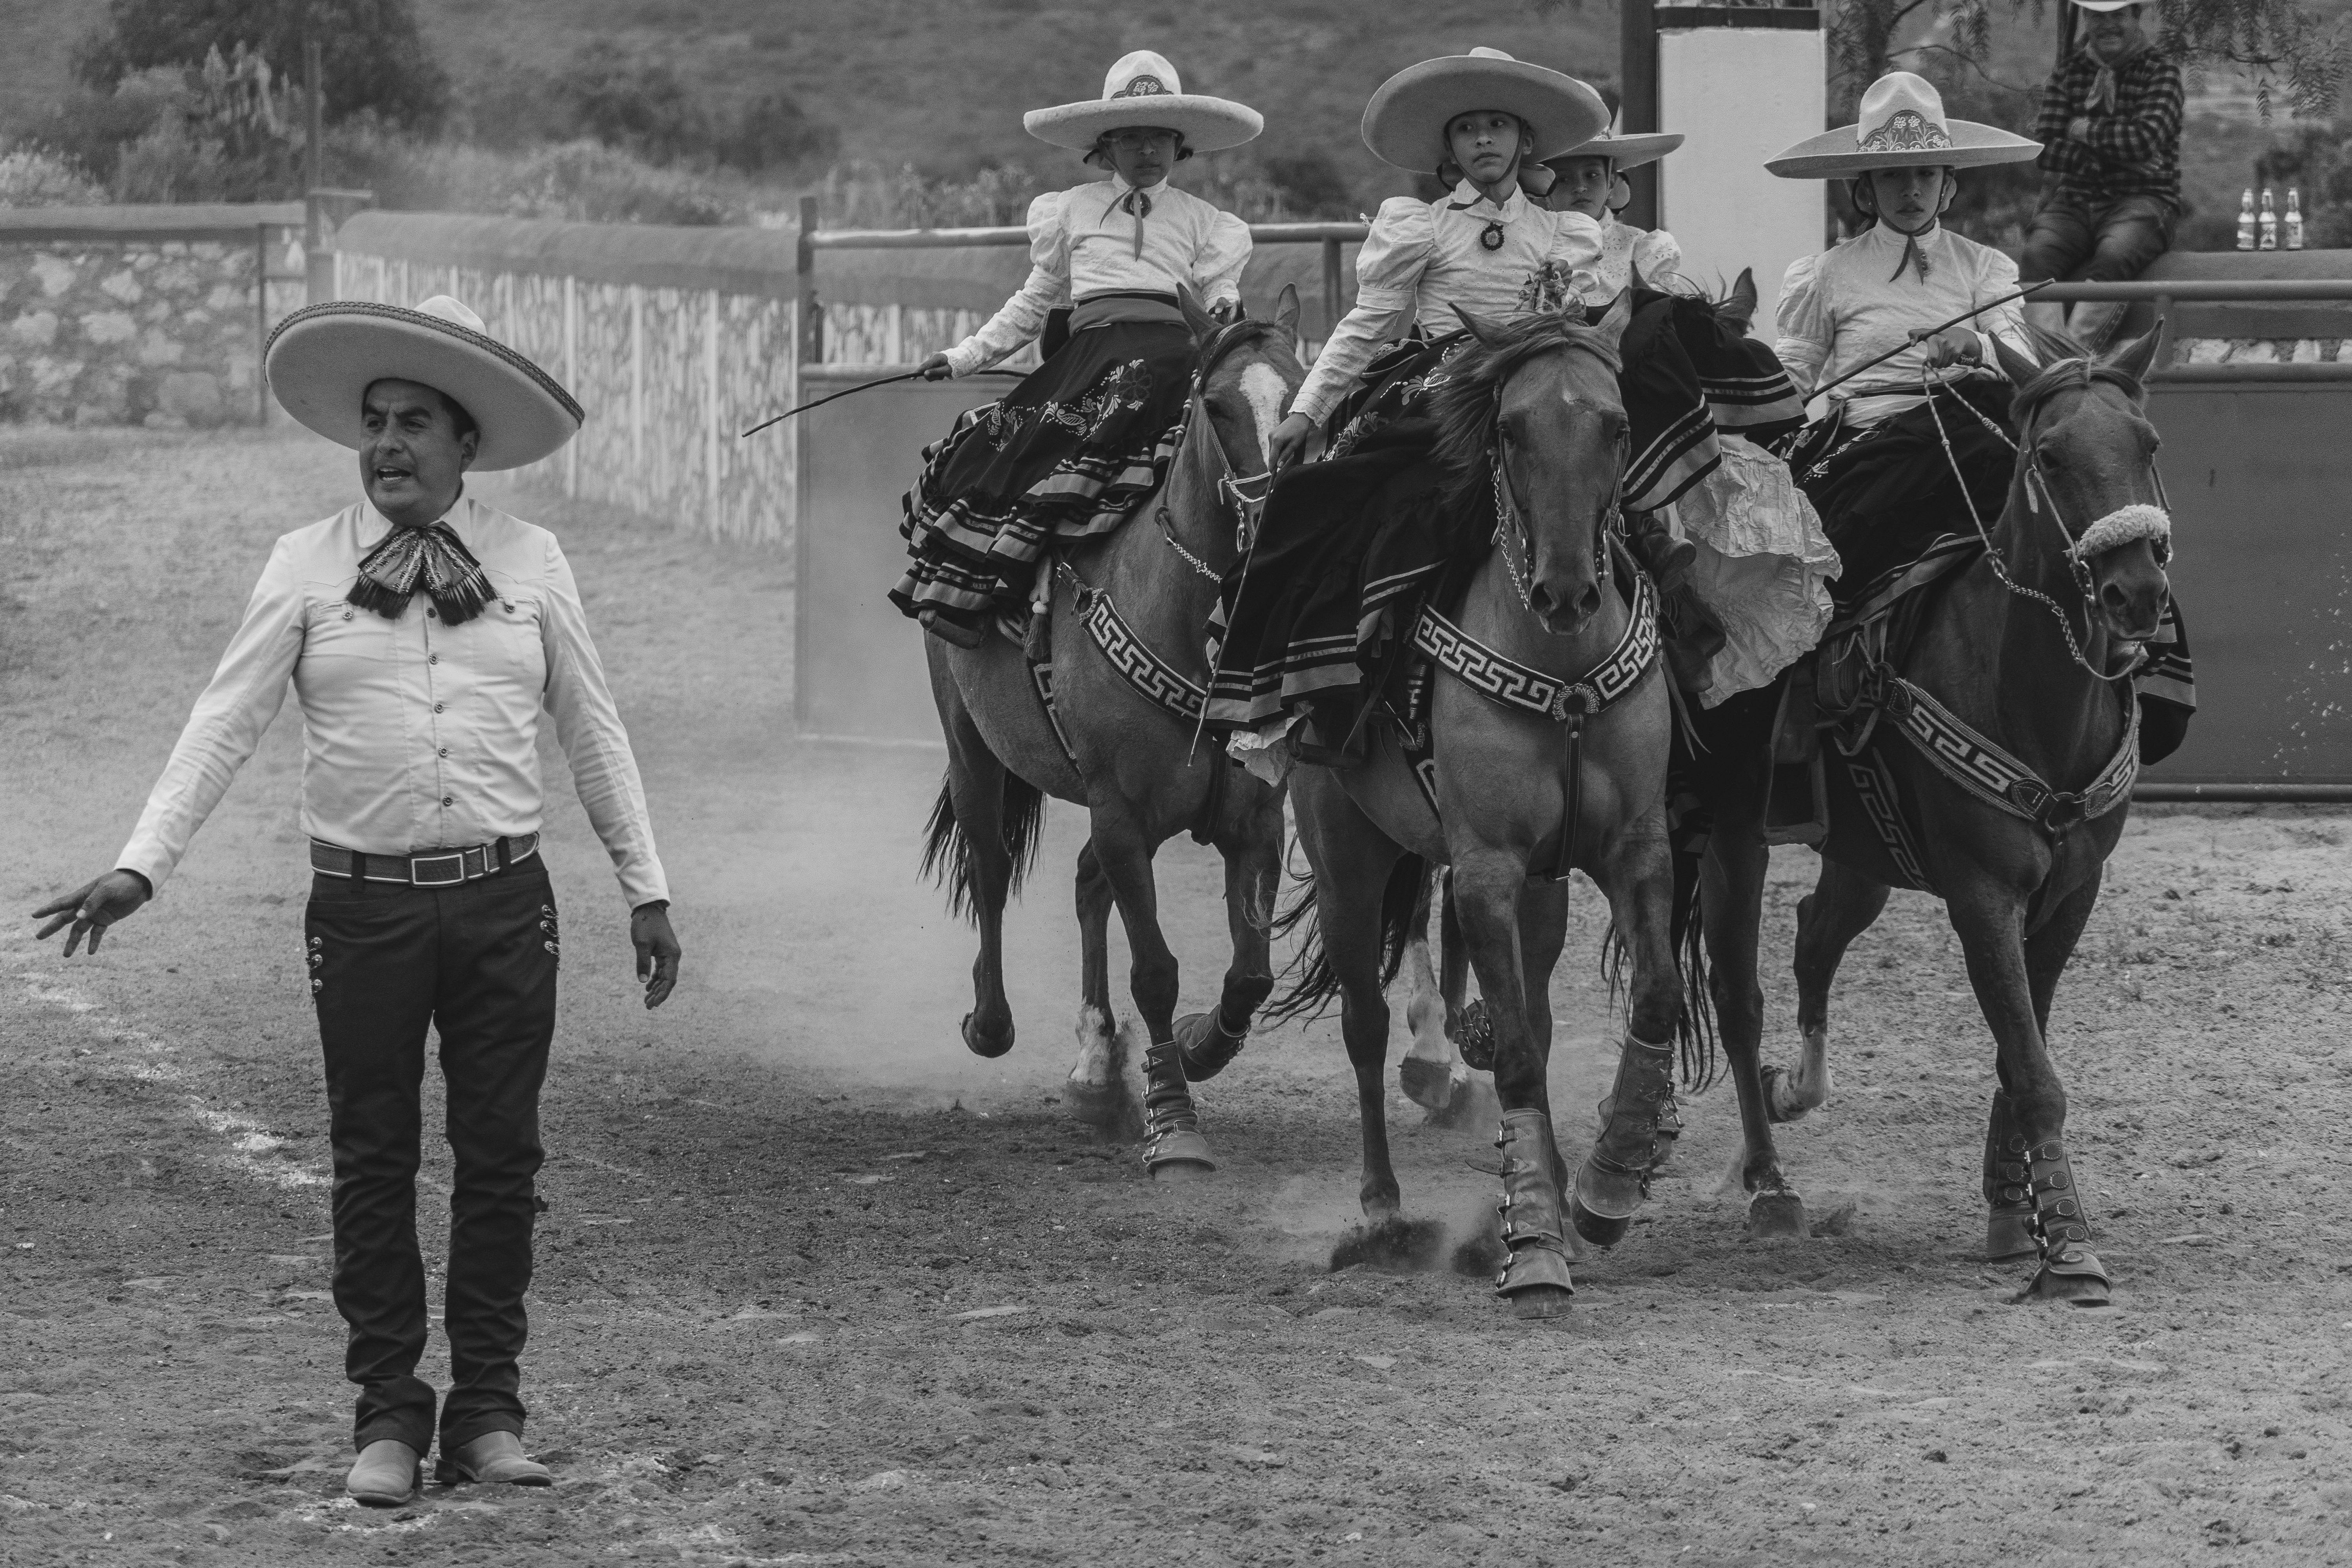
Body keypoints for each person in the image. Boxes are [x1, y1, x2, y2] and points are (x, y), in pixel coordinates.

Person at [29, 294, 683, 1508]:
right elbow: (221, 722)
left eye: (414, 423)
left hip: (505, 903)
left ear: (465, 445)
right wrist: (142, 863)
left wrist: (644, 885)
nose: (387, 444)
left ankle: (488, 1407)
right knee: (373, 1157)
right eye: (373, 423)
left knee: (500, 1156)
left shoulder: (535, 561)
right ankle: (388, 1408)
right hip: (362, 909)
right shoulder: (302, 563)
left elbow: (591, 728)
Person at [1205, 47, 1612, 766]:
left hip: (1543, 389)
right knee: (1344, 499)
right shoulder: (1419, 225)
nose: (1483, 139)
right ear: (1448, 148)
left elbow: (1579, 331)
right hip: (1442, 386)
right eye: (1467, 129)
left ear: (1525, 140)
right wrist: (1307, 409)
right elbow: (1368, 324)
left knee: (1627, 481)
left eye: (1497, 125)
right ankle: (1345, 671)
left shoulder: (1567, 233)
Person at [892, 50, 1262, 648]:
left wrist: (1223, 304)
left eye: (1159, 139)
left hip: (1174, 359)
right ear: (1105, 146)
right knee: (1011, 451)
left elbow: (1220, 287)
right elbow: (1035, 302)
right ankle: (1006, 591)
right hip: (1093, 363)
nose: (1147, 152)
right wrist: (962, 357)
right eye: (1131, 138)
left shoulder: (1206, 221)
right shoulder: (1070, 210)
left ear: (1180, 145)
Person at [1765, 71, 2045, 597]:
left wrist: (1976, 345)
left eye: (1925, 174)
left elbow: (2024, 364)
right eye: (1893, 175)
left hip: (1971, 434)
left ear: (1948, 183)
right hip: (1868, 448)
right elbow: (1793, 382)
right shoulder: (1826, 273)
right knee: (1831, 545)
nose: (1912, 190)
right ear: (1866, 188)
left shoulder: (1985, 267)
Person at [2022, 0, 2183, 350]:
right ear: (2086, 19)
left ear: (2135, 16)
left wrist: (2082, 129)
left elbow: (2144, 140)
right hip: (2076, 200)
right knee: (2038, 255)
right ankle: (2049, 358)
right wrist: (2120, 159)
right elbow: (2046, 149)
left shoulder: (2161, 72)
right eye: (2098, 16)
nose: (2108, 25)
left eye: (2117, 15)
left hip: (2143, 199)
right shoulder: (2069, 72)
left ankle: (2069, 358)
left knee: (2115, 255)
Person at [1539, 118, 1688, 301]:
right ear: (1545, 188)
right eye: (1563, 179)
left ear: (1610, 182)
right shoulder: (1528, 241)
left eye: (1592, 175)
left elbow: (1656, 320)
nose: (1580, 187)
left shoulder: (1641, 248)